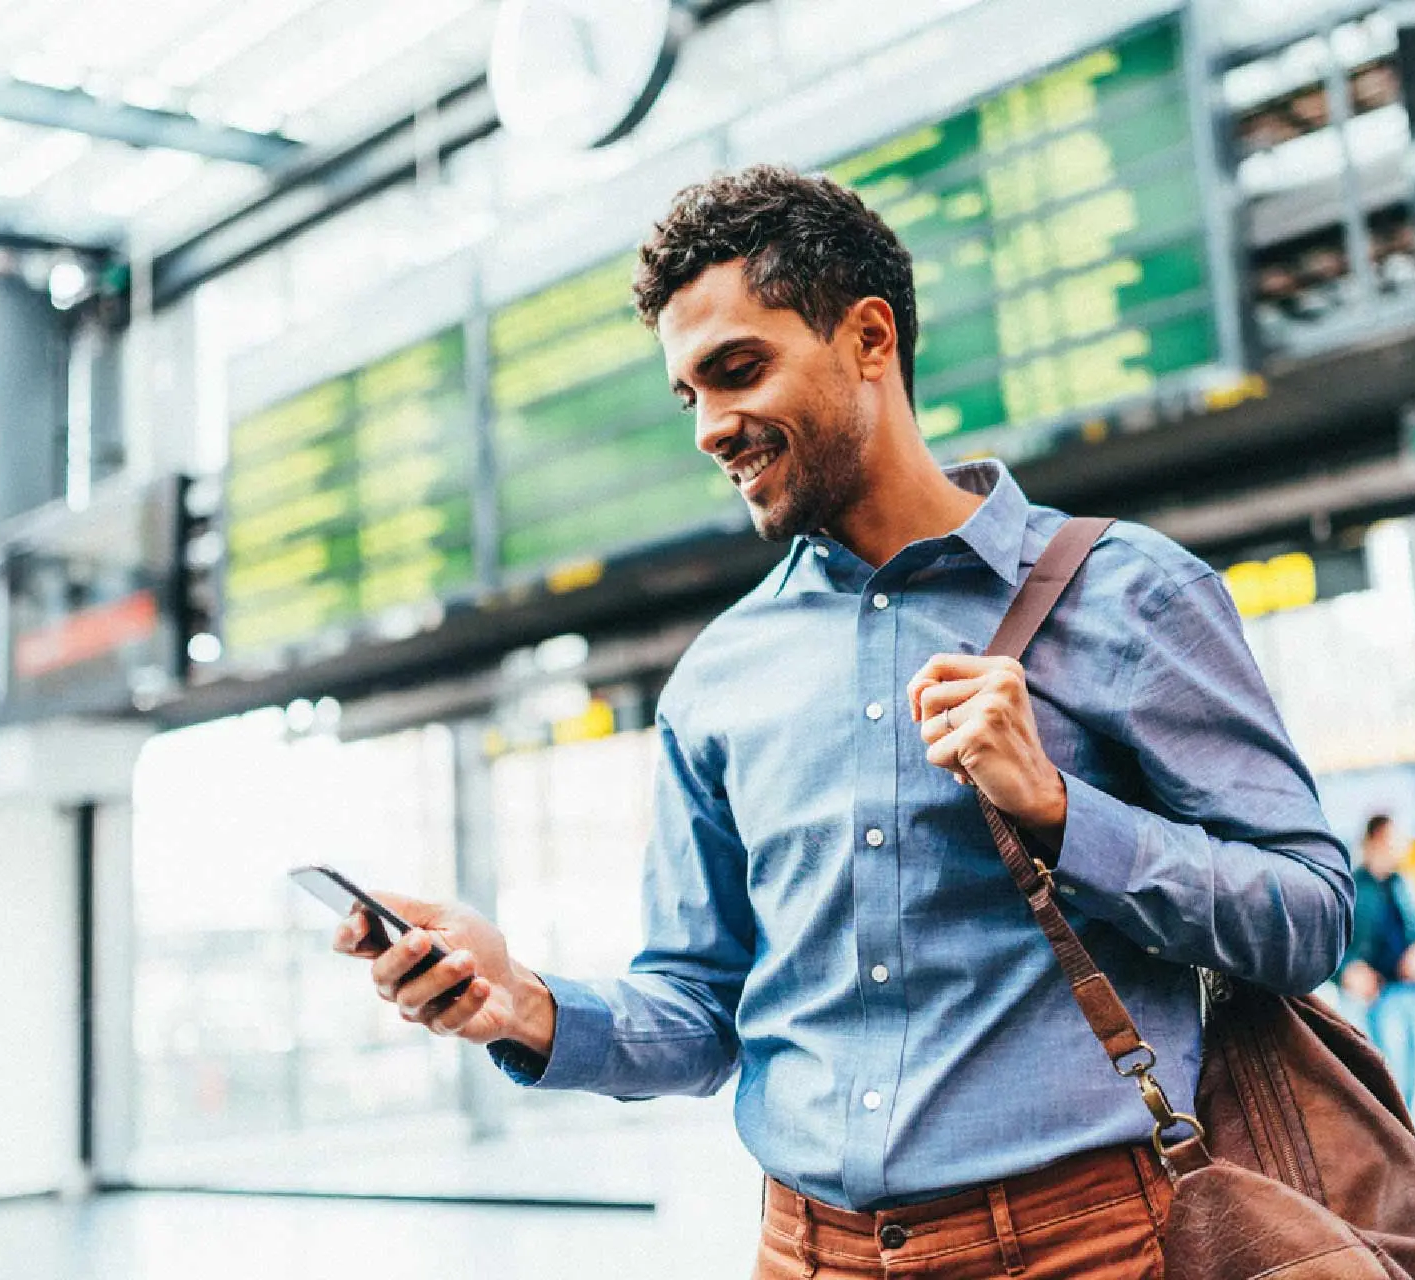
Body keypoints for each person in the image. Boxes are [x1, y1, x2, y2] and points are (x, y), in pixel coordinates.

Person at [330, 164, 1354, 1279]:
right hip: (802, 1248)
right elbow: (700, 1005)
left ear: (869, 337)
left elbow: (1308, 916)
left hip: (1089, 1242)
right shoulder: (719, 678)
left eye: (737, 369)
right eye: (689, 395)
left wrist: (1061, 811)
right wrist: (518, 999)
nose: (711, 428)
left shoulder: (1130, 593)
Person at [1337, 813, 1415, 1108]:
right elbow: (1333, 946)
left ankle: (1408, 1144)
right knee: (1386, 1081)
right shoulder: (1351, 886)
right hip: (1376, 998)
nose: (1402, 845)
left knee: (1413, 1080)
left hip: (1413, 991)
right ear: (1376, 840)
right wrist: (1348, 971)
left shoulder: (1403, 884)